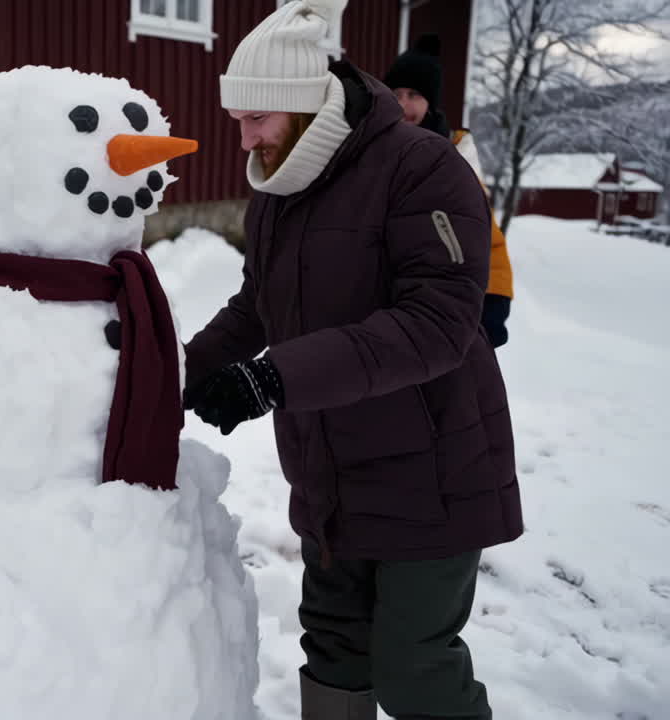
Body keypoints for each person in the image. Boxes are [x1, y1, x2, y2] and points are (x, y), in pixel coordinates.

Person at [182, 0, 523, 718]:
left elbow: (439, 322)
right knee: (335, 652)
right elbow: (258, 306)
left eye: (257, 118)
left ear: (308, 103)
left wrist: (273, 378)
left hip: (430, 474)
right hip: (330, 475)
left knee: (414, 670)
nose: (244, 137)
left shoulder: (421, 167)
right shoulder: (276, 187)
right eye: (238, 118)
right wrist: (175, 372)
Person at [386, 33, 515, 348]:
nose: (403, 104)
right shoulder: (376, 150)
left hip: (441, 301)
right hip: (387, 302)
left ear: (430, 103)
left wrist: (494, 296)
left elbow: (481, 230)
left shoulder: (456, 155)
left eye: (414, 95)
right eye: (396, 94)